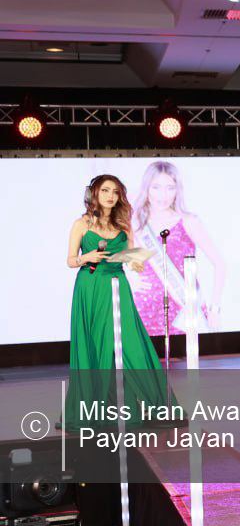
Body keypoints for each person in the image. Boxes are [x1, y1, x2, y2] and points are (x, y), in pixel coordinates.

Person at [65, 175, 168, 426]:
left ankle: (149, 402)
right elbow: (70, 260)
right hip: (91, 287)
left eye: (115, 191)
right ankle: (96, 409)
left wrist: (135, 262)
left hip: (117, 283)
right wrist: (86, 257)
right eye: (105, 190)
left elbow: (129, 257)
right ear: (94, 193)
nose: (110, 196)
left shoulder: (124, 224)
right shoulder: (82, 223)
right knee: (95, 344)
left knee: (129, 343)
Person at [130, 160, 226, 335]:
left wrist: (215, 308)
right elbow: (122, 263)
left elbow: (220, 264)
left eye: (170, 188)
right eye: (156, 187)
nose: (163, 195)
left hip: (185, 312)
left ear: (177, 190)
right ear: (146, 188)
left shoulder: (188, 221)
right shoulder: (135, 224)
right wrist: (131, 279)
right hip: (144, 310)